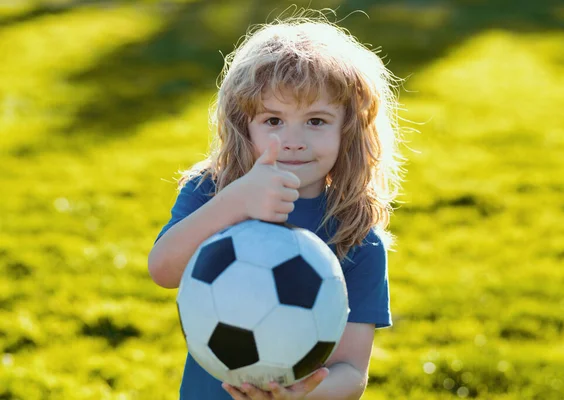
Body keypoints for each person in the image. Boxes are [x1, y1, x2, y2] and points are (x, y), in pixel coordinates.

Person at [148, 9, 406, 400]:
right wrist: (235, 201)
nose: (293, 140)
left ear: (348, 130)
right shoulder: (212, 191)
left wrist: (301, 395)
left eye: (316, 121)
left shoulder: (355, 233)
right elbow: (163, 270)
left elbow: (353, 370)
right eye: (273, 120)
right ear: (243, 124)